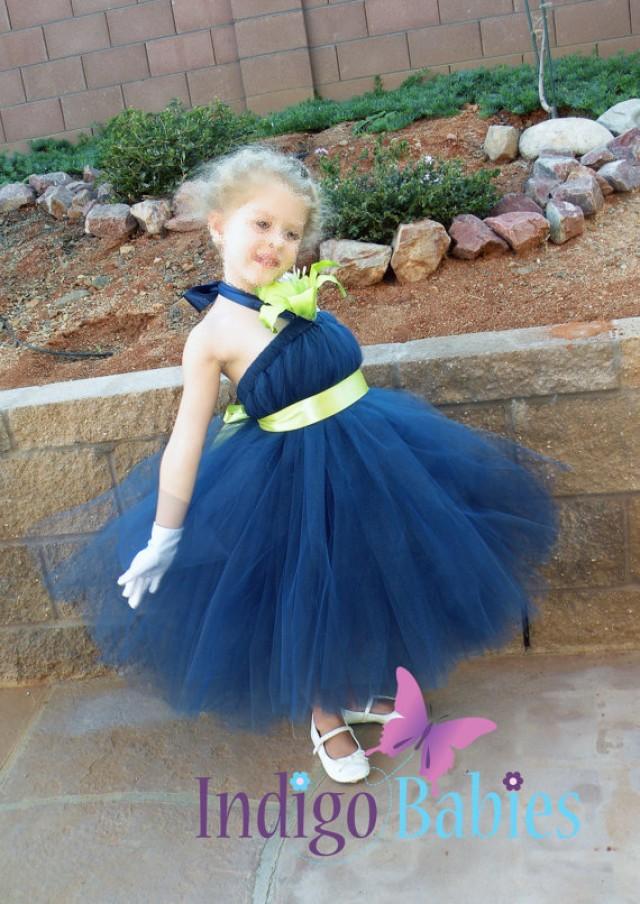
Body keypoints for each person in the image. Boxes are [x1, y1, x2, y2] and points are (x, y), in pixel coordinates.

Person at [37, 143, 570, 785]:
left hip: (371, 452)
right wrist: (165, 534)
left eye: (291, 232)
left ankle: (352, 686)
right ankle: (324, 712)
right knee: (308, 591)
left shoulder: (295, 293)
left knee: (363, 574)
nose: (276, 242)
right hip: (291, 479)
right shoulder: (212, 336)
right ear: (219, 225)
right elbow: (186, 437)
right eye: (261, 224)